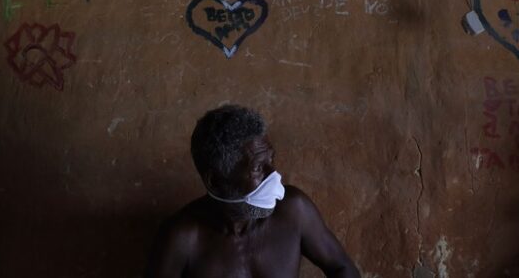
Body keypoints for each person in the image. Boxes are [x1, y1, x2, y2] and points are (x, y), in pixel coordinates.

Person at [146, 104, 360, 278]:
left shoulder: (294, 210)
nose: (274, 175)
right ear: (214, 181)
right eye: (258, 168)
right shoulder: (183, 238)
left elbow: (342, 268)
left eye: (271, 160)